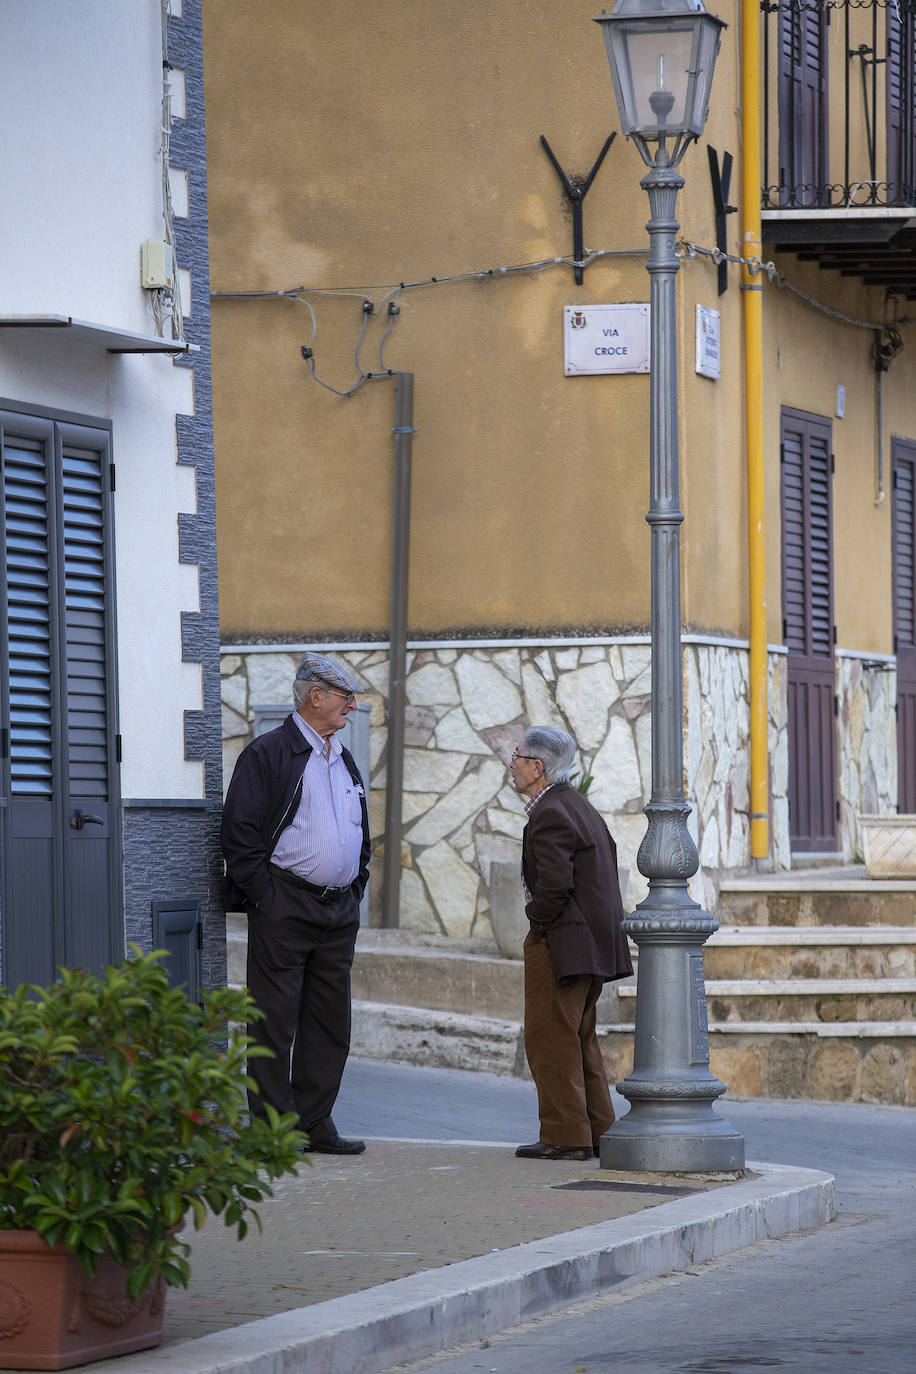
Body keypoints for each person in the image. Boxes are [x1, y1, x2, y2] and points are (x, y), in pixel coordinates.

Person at [221, 652, 371, 1156]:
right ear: (315, 697)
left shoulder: (341, 756)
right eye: (344, 696)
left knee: (330, 1022)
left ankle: (314, 1122)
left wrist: (355, 884)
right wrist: (264, 897)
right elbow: (239, 833)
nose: (352, 704)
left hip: (337, 909)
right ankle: (269, 1130)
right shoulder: (268, 753)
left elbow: (358, 831)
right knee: (273, 1017)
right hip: (284, 904)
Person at [509, 726, 633, 1161]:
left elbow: (555, 885)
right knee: (580, 1038)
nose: (512, 762)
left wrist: (536, 924)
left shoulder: (551, 812)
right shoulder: (578, 805)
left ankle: (565, 1136)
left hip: (562, 944)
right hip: (590, 946)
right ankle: (597, 1132)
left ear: (537, 767)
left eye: (517, 755)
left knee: (550, 1040)